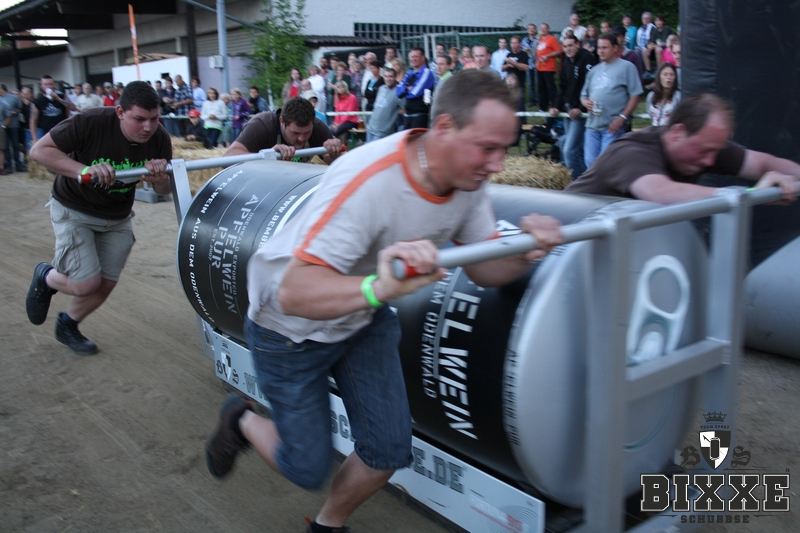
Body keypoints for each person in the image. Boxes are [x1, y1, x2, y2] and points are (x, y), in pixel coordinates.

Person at [203, 69, 562, 533]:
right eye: (487, 148)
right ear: (445, 128)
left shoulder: (466, 179)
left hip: (361, 317)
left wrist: (530, 250)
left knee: (388, 450)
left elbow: (484, 268)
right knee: (305, 467)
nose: (497, 164)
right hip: (288, 327)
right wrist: (380, 288)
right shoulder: (370, 182)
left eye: (504, 149)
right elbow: (294, 292)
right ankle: (240, 420)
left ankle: (327, 525)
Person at [25, 81, 171, 354]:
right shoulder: (90, 122)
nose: (148, 127)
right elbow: (39, 151)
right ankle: (46, 276)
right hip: (74, 209)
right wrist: (84, 170)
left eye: (154, 119)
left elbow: (164, 191)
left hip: (117, 217)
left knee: (106, 282)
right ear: (120, 112)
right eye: (139, 119)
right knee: (85, 284)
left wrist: (160, 179)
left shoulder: (159, 138)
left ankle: (68, 324)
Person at [566, 93, 800, 203]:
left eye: (714, 152)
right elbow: (661, 192)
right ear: (677, 132)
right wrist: (749, 195)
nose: (710, 161)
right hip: (560, 249)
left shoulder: (705, 146)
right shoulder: (632, 152)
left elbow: (761, 163)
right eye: (704, 151)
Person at [580, 33, 642, 168]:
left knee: (605, 164)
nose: (600, 51)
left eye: (605, 48)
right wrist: (585, 102)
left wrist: (622, 117)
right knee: (590, 162)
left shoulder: (627, 67)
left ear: (615, 48)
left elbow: (635, 95)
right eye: (599, 48)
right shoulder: (594, 70)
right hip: (592, 124)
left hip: (612, 126)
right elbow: (583, 95)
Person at [224, 96, 342, 162]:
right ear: (282, 121)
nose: (301, 138)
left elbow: (341, 165)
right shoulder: (262, 125)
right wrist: (266, 156)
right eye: (295, 133)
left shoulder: (317, 126)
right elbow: (228, 158)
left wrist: (334, 153)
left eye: (307, 132)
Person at [551, 34, 597, 179]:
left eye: (570, 45)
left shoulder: (587, 58)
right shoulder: (565, 61)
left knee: (569, 149)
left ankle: (578, 182)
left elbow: (592, 86)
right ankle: (584, 179)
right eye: (565, 46)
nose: (568, 49)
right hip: (568, 110)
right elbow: (562, 86)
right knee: (570, 145)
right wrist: (556, 106)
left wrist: (581, 108)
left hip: (581, 112)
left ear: (577, 44)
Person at [396, 47, 435, 129]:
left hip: (420, 116)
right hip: (408, 115)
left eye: (416, 56)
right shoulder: (409, 73)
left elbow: (414, 93)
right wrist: (407, 89)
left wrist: (405, 90)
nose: (413, 59)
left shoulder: (427, 72)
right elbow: (398, 92)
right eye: (411, 56)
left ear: (423, 58)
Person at [30, 75, 77, 144]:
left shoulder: (62, 96)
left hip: (63, 131)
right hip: (46, 134)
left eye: (50, 84)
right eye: (45, 84)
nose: (48, 86)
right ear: (41, 86)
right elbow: (33, 120)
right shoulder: (38, 101)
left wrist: (58, 99)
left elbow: (73, 108)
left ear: (54, 85)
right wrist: (34, 138)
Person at [366, 67, 402, 142]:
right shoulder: (381, 88)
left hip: (383, 133)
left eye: (391, 76)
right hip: (371, 129)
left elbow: (405, 110)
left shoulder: (399, 92)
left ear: (395, 77)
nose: (388, 79)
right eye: (386, 76)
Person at [535, 23, 562, 114]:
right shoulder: (540, 39)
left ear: (548, 29)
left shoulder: (552, 39)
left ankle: (554, 105)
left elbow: (558, 51)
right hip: (540, 67)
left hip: (549, 68)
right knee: (541, 88)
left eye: (544, 28)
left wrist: (547, 56)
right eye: (541, 28)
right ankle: (543, 107)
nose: (543, 30)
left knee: (550, 88)